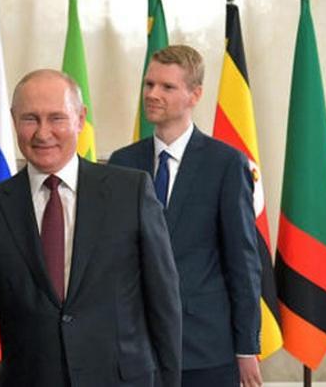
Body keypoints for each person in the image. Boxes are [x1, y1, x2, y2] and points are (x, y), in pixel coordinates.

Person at [0, 69, 181, 387]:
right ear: (13, 120)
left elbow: (163, 301)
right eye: (30, 119)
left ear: (80, 119)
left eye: (56, 118)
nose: (43, 133)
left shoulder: (130, 192)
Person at [109, 45, 263, 387]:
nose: (152, 94)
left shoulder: (226, 164)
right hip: (135, 347)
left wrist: (246, 347)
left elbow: (243, 261)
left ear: (195, 95)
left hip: (205, 347)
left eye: (167, 87)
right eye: (149, 84)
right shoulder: (122, 163)